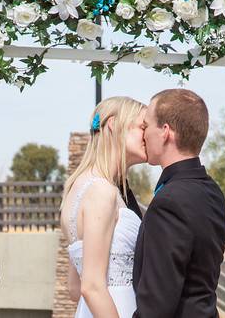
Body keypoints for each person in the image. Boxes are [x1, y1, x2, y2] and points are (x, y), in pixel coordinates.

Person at [133, 89, 225, 317]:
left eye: (146, 126)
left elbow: (156, 304)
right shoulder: (213, 191)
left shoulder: (169, 202)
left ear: (165, 132)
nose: (143, 134)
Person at [60, 96, 147, 318]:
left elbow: (74, 287)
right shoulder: (101, 192)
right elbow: (91, 286)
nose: (147, 136)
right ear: (113, 124)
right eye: (142, 127)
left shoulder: (77, 187)